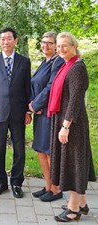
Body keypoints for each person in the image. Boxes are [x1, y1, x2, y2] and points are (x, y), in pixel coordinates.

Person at [47, 32, 96, 222]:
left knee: (74, 165)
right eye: (58, 46)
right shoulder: (67, 65)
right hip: (65, 121)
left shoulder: (77, 68)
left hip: (72, 125)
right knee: (74, 162)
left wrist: (66, 126)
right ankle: (82, 204)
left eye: (64, 46)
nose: (60, 49)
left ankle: (73, 209)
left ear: (74, 46)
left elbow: (75, 100)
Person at [0, 27, 32, 198]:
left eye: (9, 38)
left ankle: (17, 183)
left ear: (15, 41)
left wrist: (27, 110)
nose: (5, 42)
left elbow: (27, 88)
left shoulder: (24, 62)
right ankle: (1, 182)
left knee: (19, 149)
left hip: (18, 112)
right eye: (2, 39)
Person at [29, 32, 64, 202]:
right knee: (41, 150)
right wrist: (31, 105)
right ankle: (48, 185)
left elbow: (51, 87)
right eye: (43, 42)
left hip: (49, 113)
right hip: (40, 113)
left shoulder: (57, 63)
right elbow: (34, 83)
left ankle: (56, 189)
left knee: (49, 151)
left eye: (50, 43)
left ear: (56, 45)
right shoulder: (46, 61)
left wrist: (36, 105)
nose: (45, 46)